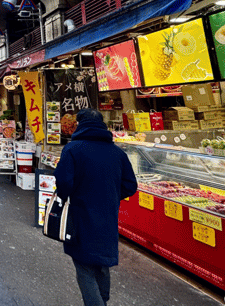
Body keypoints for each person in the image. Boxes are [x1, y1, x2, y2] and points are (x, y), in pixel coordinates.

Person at [54, 108, 137, 306]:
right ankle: (103, 300)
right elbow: (130, 185)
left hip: (80, 214)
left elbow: (63, 182)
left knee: (84, 267)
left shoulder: (73, 149)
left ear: (80, 125)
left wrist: (67, 196)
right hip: (108, 216)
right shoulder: (117, 153)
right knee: (101, 263)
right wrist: (111, 195)